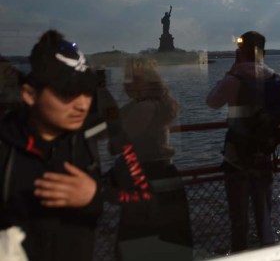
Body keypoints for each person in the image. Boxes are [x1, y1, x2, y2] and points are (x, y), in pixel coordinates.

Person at [0, 30, 101, 261]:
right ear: (29, 94)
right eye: (67, 93)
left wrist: (93, 197)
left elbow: (139, 194)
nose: (82, 105)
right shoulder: (5, 150)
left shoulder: (88, 140)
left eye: (87, 91)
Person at [206, 31, 280, 252]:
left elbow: (212, 102)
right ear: (264, 53)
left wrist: (231, 70)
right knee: (265, 219)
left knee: (239, 220)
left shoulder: (234, 80)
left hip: (237, 158)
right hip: (264, 155)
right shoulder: (278, 80)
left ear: (239, 53)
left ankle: (240, 254)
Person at [113, 56, 192, 259]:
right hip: (164, 177)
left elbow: (116, 145)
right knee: (170, 242)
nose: (128, 84)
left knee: (138, 240)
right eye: (127, 78)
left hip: (145, 177)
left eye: (135, 79)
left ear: (150, 81)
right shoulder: (157, 104)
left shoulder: (142, 108)